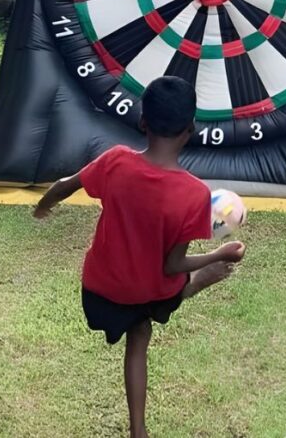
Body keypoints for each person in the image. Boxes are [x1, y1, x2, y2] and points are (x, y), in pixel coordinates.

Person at [33, 76, 245, 438]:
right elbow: (172, 264)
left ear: (143, 122)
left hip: (99, 293)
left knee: (140, 327)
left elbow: (63, 186)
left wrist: (43, 206)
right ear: (190, 129)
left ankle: (138, 428)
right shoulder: (194, 194)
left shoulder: (115, 161)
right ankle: (138, 430)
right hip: (149, 293)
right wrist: (217, 254)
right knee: (146, 322)